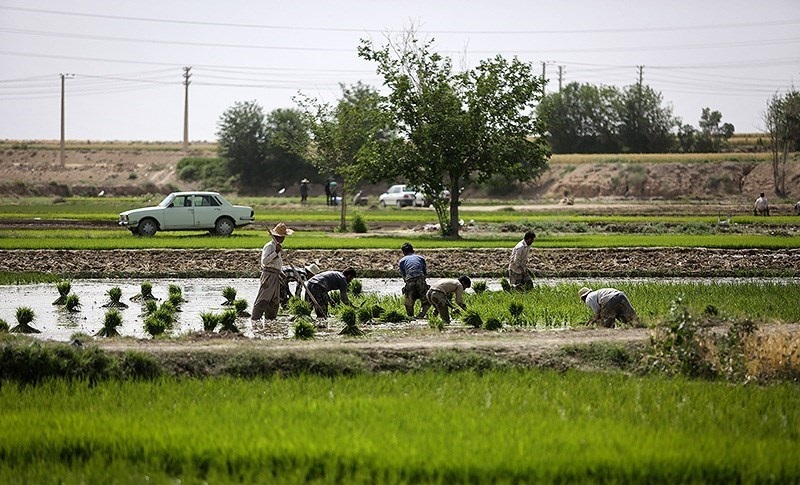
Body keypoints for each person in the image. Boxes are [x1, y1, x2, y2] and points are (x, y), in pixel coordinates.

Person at [252, 222, 293, 321]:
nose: (283, 238)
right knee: (263, 298)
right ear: (276, 236)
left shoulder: (277, 246)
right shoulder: (270, 246)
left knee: (274, 300)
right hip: (269, 275)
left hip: (276, 276)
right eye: (282, 236)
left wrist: (281, 273)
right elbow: (265, 261)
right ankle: (255, 319)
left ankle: (270, 320)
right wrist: (276, 252)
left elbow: (276, 264)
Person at [398, 242, 431, 318]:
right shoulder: (421, 258)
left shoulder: (402, 261)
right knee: (426, 300)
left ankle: (410, 317)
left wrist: (407, 284)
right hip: (420, 278)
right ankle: (421, 314)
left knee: (409, 302)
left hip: (410, 279)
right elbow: (425, 273)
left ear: (404, 252)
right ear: (413, 250)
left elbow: (404, 276)